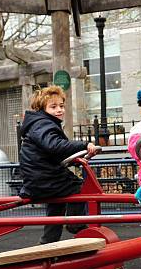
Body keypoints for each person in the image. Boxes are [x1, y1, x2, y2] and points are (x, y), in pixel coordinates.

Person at [19, 86, 98, 244]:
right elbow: (55, 146)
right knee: (77, 186)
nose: (59, 110)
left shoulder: (40, 124)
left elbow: (55, 150)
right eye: (53, 107)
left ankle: (48, 242)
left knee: (57, 204)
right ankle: (76, 224)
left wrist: (78, 153)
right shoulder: (43, 125)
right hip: (43, 178)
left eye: (61, 106)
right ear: (42, 108)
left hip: (39, 179)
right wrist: (83, 145)